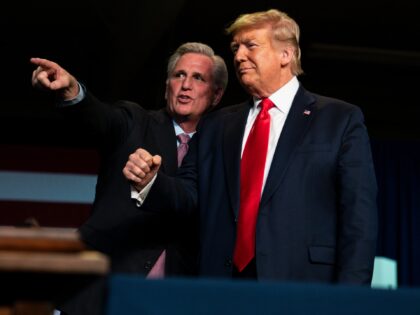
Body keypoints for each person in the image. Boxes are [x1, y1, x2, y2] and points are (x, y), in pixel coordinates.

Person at [124, 9, 378, 284]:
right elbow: (189, 192)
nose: (239, 56)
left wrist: (352, 298)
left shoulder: (339, 119)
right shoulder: (216, 126)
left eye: (251, 46)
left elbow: (358, 219)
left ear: (286, 54)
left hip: (302, 286)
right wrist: (151, 182)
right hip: (222, 285)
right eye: (236, 48)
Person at [31, 42, 228, 314]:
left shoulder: (223, 150)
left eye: (198, 78)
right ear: (166, 85)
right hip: (101, 291)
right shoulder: (134, 122)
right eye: (178, 75)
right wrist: (72, 91)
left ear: (216, 95)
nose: (185, 85)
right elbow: (99, 118)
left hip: (176, 299)